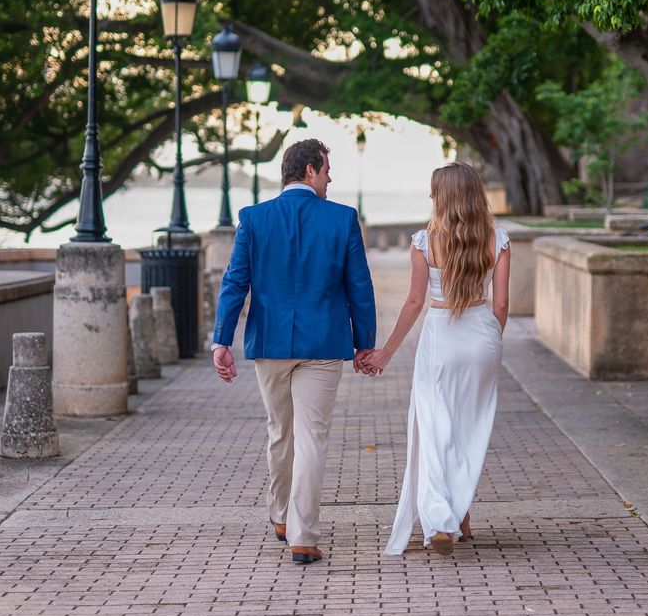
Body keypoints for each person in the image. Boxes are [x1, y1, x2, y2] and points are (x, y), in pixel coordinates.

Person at [210, 139, 378, 565]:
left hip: (270, 344)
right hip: (322, 344)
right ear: (308, 171)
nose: (330, 178)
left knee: (280, 432)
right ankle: (302, 535)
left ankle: (282, 516)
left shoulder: (254, 218)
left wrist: (221, 340)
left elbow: (235, 283)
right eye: (326, 170)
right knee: (312, 437)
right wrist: (365, 343)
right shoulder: (342, 219)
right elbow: (359, 286)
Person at [366, 163, 510, 557]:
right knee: (468, 431)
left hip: (441, 337)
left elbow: (414, 303)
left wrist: (386, 352)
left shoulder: (424, 242)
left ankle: (439, 519)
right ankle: (459, 516)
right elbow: (501, 305)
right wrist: (489, 340)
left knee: (433, 431)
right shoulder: (496, 240)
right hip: (482, 336)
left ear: (441, 196)